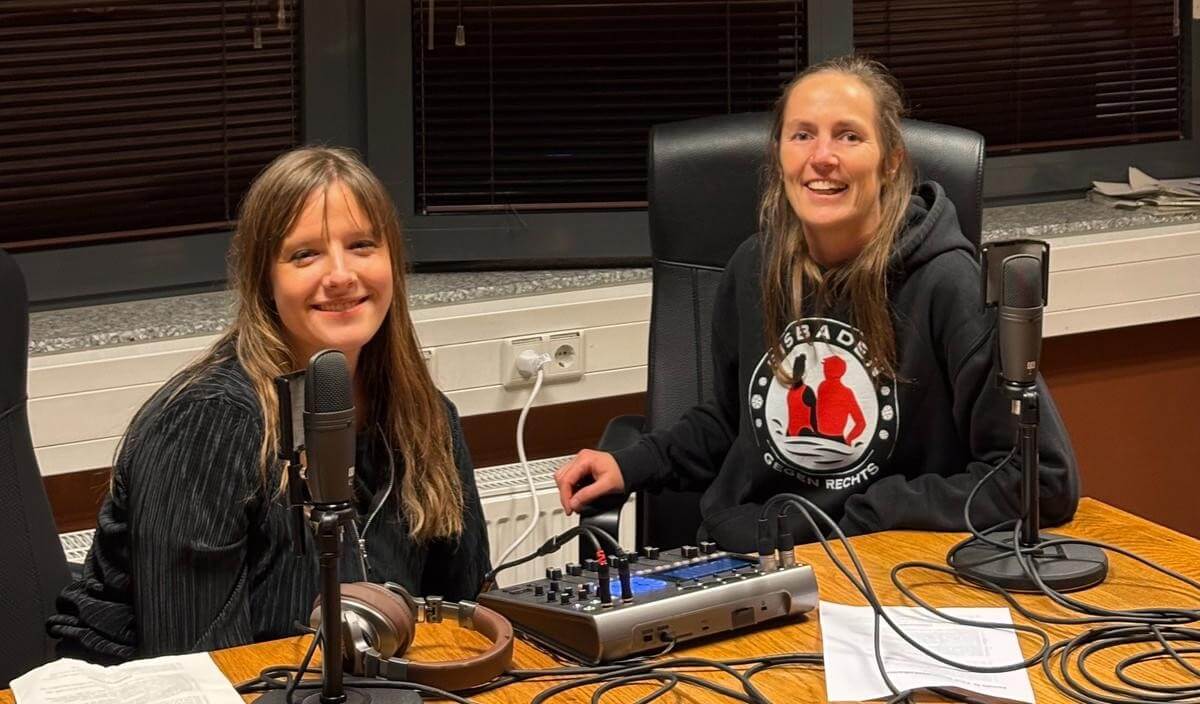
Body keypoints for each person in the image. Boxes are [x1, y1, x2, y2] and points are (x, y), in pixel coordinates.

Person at [554, 55, 1079, 552]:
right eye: (802, 135)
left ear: (891, 161)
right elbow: (733, 421)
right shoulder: (752, 266)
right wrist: (632, 464)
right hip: (748, 551)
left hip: (878, 559)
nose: (821, 157)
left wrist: (874, 512)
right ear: (780, 154)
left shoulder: (948, 282)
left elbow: (1040, 479)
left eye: (849, 136)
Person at [47, 147, 490, 661]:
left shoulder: (426, 416)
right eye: (306, 255)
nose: (341, 275)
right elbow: (199, 658)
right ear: (265, 279)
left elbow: (463, 618)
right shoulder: (207, 422)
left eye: (362, 245)